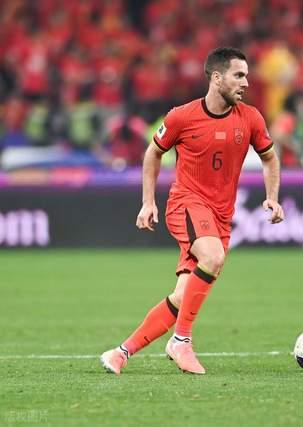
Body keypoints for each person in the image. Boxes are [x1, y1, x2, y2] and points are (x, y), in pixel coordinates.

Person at [100, 47, 285, 375]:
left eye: (246, 76)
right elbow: (153, 153)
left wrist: (272, 197)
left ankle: (121, 353)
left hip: (220, 216)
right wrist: (148, 202)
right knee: (212, 258)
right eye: (238, 75)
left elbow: (270, 158)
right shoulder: (181, 117)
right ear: (217, 78)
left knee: (183, 295)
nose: (246, 82)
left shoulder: (251, 118)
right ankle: (181, 341)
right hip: (186, 203)